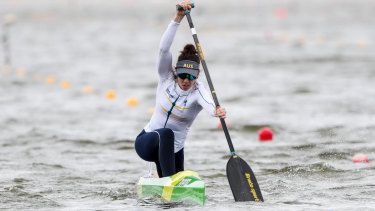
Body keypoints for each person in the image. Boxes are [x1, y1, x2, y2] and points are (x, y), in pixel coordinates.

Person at [134, 1, 226, 178]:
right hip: (147, 142)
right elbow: (163, 49)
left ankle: (161, 183)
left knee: (175, 203)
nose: (186, 80)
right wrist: (178, 18)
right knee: (166, 134)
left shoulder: (197, 91)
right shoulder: (166, 78)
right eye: (183, 75)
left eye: (191, 77)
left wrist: (218, 111)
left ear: (197, 76)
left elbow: (209, 104)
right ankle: (167, 181)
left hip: (173, 151)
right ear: (176, 73)